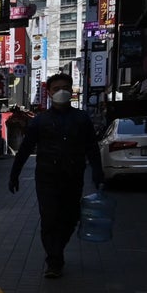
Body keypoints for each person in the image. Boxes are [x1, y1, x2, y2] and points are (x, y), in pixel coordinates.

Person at [8, 72, 104, 278]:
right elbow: (25, 149)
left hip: (73, 176)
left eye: (65, 88)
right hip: (46, 177)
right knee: (50, 218)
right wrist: (14, 174)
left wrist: (98, 171)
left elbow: (92, 147)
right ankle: (54, 260)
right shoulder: (40, 121)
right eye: (56, 88)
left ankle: (57, 249)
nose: (61, 92)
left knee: (70, 217)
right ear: (49, 93)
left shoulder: (81, 118)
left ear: (71, 90)